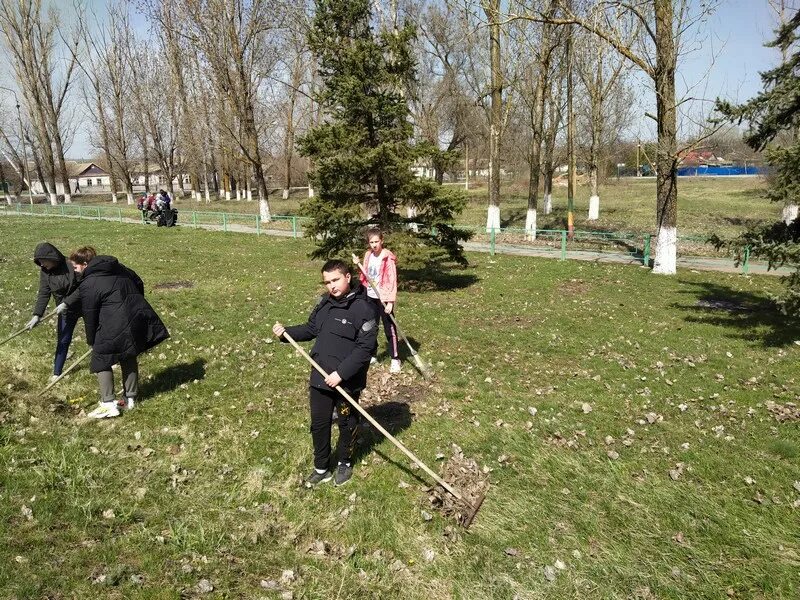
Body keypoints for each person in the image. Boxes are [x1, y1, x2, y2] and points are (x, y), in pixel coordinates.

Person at [273, 259, 378, 487]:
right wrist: (286, 333)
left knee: (347, 422)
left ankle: (345, 462)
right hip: (320, 377)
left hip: (346, 382)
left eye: (335, 280)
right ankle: (321, 467)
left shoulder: (366, 309)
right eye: (327, 282)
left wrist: (341, 374)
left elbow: (366, 349)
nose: (331, 286)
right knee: (319, 424)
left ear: (348, 277)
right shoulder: (324, 303)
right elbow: (311, 329)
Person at [69, 246, 170, 419]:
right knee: (128, 354)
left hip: (113, 323)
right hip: (135, 317)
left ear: (85, 264)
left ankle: (108, 403)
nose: (75, 271)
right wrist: (133, 301)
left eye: (76, 267)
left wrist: (92, 339)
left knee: (101, 359)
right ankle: (130, 399)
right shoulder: (119, 268)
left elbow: (90, 314)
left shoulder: (89, 283)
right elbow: (138, 281)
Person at [27, 243, 83, 381]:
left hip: (84, 305)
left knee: (95, 336)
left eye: (43, 261)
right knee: (63, 340)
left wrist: (67, 302)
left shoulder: (71, 265)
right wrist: (37, 315)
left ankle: (107, 362)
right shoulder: (45, 271)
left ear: (51, 257)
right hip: (64, 310)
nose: (41, 265)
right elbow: (44, 293)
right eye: (39, 262)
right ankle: (57, 373)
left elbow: (83, 287)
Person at [359, 227, 401, 373]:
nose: (374, 245)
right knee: (371, 327)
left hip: (383, 298)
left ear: (381, 241)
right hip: (370, 296)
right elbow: (365, 273)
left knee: (390, 328)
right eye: (371, 242)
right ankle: (373, 354)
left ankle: (395, 358)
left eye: (376, 241)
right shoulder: (368, 255)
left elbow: (392, 280)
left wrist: (390, 301)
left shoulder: (387, 258)